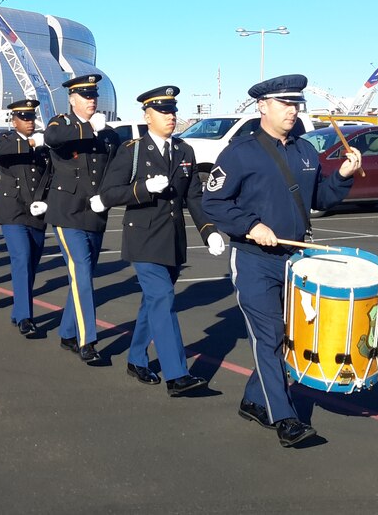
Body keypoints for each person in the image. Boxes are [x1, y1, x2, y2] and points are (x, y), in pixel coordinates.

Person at [202, 74, 362, 447]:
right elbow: (213, 202)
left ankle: (254, 401)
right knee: (269, 334)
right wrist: (250, 225)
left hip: (296, 259)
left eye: (295, 104)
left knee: (286, 338)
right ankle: (285, 418)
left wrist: (341, 175)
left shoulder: (305, 150)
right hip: (255, 260)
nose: (292, 110)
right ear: (263, 106)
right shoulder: (240, 152)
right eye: (284, 104)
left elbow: (320, 198)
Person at [99, 86, 225, 395]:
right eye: (163, 111)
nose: (171, 117)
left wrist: (208, 230)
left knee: (152, 302)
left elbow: (194, 196)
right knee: (163, 299)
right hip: (143, 238)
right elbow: (108, 193)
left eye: (173, 111)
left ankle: (136, 357)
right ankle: (177, 374)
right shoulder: (132, 150)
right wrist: (143, 189)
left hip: (172, 238)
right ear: (147, 115)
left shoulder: (184, 151)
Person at [43, 74, 120, 363]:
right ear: (73, 99)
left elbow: (115, 170)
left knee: (82, 276)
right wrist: (87, 129)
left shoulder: (108, 133)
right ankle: (87, 340)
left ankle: (66, 331)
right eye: (85, 96)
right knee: (83, 271)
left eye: (94, 96)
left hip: (96, 213)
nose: (91, 100)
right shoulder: (61, 123)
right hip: (68, 211)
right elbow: (51, 139)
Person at [0, 98, 51, 336]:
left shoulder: (43, 147)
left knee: (32, 261)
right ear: (13, 120)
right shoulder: (5, 140)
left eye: (31, 118)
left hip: (36, 210)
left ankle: (18, 311)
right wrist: (31, 143)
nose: (29, 122)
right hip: (12, 209)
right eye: (23, 118)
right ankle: (26, 316)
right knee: (22, 258)